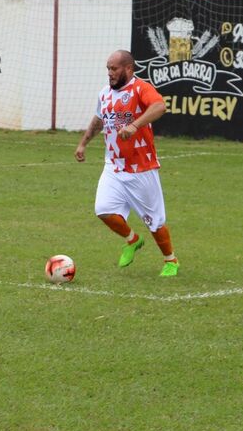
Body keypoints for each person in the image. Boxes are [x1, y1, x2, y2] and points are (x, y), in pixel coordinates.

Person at [74, 50, 179, 277]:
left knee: (155, 222)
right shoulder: (105, 94)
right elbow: (99, 119)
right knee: (103, 210)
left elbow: (159, 106)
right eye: (108, 69)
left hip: (141, 167)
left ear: (129, 69)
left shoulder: (140, 88)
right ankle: (132, 240)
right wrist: (83, 144)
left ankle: (171, 260)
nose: (110, 74)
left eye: (114, 69)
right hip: (113, 166)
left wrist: (134, 126)